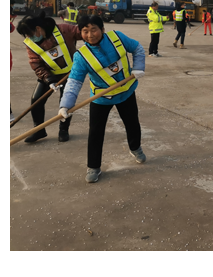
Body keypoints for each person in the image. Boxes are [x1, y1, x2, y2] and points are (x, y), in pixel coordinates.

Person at [59, 15, 146, 183]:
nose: (90, 35)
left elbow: (137, 48)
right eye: (85, 31)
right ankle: (93, 166)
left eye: (94, 30)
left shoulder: (118, 38)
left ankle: (135, 148)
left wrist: (138, 66)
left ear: (102, 29)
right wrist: (66, 105)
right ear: (80, 33)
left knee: (132, 123)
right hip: (102, 97)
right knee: (95, 132)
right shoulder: (81, 56)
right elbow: (74, 81)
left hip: (126, 92)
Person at [16, 11, 82, 142]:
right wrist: (48, 79)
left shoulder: (64, 30)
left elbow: (85, 33)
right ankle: (39, 130)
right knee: (36, 100)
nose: (28, 37)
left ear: (38, 28)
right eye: (26, 35)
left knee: (66, 103)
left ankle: (63, 130)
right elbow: (36, 63)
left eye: (29, 34)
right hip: (50, 75)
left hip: (70, 74)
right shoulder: (31, 43)